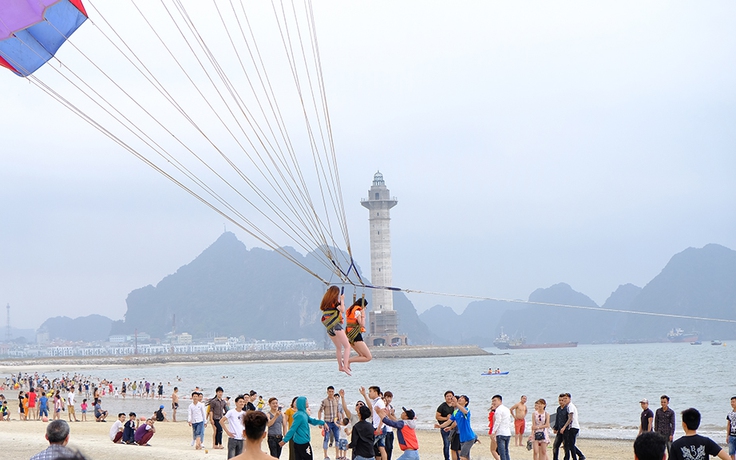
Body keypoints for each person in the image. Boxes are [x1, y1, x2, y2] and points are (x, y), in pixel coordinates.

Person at [320, 286, 352, 376]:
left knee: (338, 348)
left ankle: (340, 366)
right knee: (347, 346)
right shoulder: (335, 302)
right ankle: (345, 366)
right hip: (336, 326)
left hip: (329, 328)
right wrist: (342, 300)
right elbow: (342, 310)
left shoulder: (325, 304)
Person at [436, 395, 475, 460]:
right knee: (466, 457)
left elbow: (464, 412)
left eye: (462, 398)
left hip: (469, 437)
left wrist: (456, 403)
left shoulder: (466, 410)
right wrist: (440, 426)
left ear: (466, 402)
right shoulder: (456, 412)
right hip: (462, 438)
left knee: (462, 457)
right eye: (460, 397)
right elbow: (449, 421)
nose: (460, 399)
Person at [345, 298, 373, 364]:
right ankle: (348, 361)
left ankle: (348, 361)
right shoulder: (357, 311)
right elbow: (362, 324)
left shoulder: (351, 310)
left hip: (349, 334)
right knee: (368, 357)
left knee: (362, 355)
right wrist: (363, 315)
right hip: (356, 335)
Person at [319, 386, 342, 460]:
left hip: (335, 422)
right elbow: (320, 411)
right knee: (326, 439)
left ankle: (337, 455)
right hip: (327, 422)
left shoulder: (336, 401)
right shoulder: (324, 401)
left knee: (337, 439)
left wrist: (340, 421)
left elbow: (338, 411)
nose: (331, 393)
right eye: (330, 391)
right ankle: (325, 455)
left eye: (332, 391)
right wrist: (320, 422)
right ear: (327, 392)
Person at [560, 393, 583, 460]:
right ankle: (579, 456)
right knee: (569, 444)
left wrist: (564, 427)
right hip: (572, 427)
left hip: (573, 427)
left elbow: (570, 418)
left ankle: (577, 456)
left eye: (566, 399)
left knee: (571, 444)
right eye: (563, 399)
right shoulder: (567, 406)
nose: (564, 400)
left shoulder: (570, 406)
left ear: (569, 399)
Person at [491, 395, 512, 460]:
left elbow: (498, 421)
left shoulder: (498, 410)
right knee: (506, 451)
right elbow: (509, 420)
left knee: (502, 452)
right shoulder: (507, 409)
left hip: (501, 433)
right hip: (507, 433)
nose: (494, 402)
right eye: (493, 401)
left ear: (500, 401)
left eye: (495, 400)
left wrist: (493, 431)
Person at [436, 391, 455, 460]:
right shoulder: (442, 406)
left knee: (455, 445)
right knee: (447, 444)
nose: (449, 398)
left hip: (454, 428)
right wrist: (446, 418)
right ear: (445, 397)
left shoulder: (455, 406)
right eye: (447, 396)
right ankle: (447, 458)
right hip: (444, 427)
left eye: (450, 396)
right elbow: (437, 416)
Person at [552, 394, 567, 460]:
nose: (560, 402)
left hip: (566, 431)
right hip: (559, 430)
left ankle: (580, 455)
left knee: (567, 446)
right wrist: (555, 428)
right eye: (559, 400)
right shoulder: (558, 409)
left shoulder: (567, 409)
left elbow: (569, 420)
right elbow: (557, 419)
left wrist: (564, 428)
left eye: (562, 400)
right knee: (555, 445)